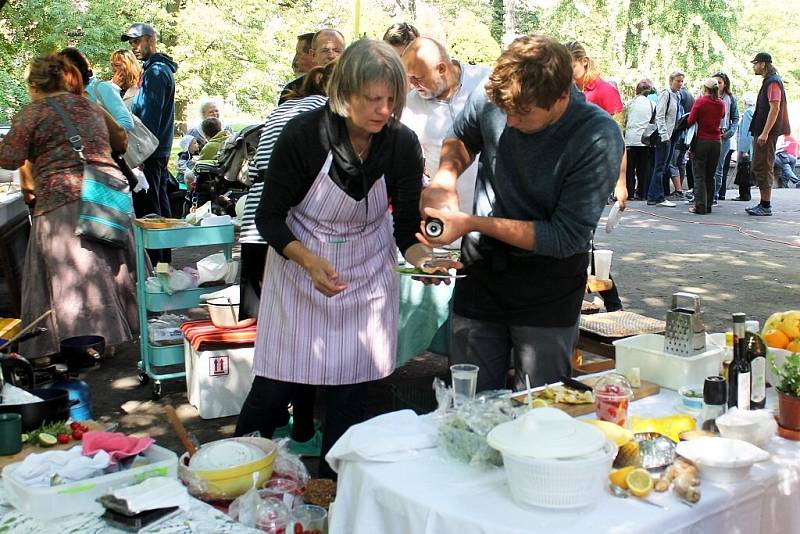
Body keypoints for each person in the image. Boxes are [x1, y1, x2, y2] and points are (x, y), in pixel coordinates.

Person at [235, 40, 455, 478]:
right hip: (301, 269)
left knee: (350, 400)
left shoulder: (400, 144)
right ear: (344, 93)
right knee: (275, 389)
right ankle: (235, 476)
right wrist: (307, 260)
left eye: (391, 99)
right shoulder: (304, 136)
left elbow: (404, 225)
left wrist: (423, 258)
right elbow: (269, 217)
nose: (383, 109)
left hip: (367, 275)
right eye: (372, 99)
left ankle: (334, 492)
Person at [418, 35, 623, 391]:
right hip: (480, 275)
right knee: (472, 402)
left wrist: (470, 223)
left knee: (538, 407)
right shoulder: (496, 94)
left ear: (561, 97)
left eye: (523, 113)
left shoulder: (597, 136)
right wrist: (445, 178)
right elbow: (463, 138)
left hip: (548, 287)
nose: (510, 123)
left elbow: (564, 237)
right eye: (505, 111)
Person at [0, 55, 138, 358]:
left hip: (62, 199)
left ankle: (81, 346)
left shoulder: (32, 112)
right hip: (104, 194)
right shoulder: (89, 104)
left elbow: (8, 158)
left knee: (74, 275)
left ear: (34, 85)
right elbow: (121, 141)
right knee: (105, 266)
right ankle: (110, 339)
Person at [237, 62, 336, 457]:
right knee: (296, 346)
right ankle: (291, 432)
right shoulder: (316, 120)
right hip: (287, 235)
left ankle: (277, 432)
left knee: (282, 342)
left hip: (258, 231)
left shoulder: (283, 108)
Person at [564, 40, 625, 312]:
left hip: (595, 175)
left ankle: (611, 304)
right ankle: (610, 304)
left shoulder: (604, 91)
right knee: (580, 239)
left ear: (584, 62)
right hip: (567, 175)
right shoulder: (562, 90)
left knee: (580, 237)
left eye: (570, 66)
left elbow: (619, 142)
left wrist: (621, 182)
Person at [401, 37, 489, 215]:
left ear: (442, 69)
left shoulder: (485, 82)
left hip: (492, 215)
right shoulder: (409, 105)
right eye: (408, 78)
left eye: (417, 78)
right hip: (445, 217)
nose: (412, 85)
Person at [122, 22, 178, 234]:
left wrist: (140, 157)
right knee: (160, 209)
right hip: (156, 151)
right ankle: (163, 263)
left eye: (137, 41)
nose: (133, 47)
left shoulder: (155, 72)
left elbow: (149, 121)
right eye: (131, 43)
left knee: (151, 214)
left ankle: (156, 263)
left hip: (150, 152)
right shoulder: (156, 69)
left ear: (151, 40)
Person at [746, 52, 791, 216]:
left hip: (767, 133)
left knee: (764, 166)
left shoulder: (773, 82)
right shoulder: (770, 81)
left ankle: (765, 205)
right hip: (763, 131)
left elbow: (775, 108)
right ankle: (763, 203)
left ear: (763, 64)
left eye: (756, 63)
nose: (754, 66)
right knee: (760, 165)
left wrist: (765, 133)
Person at [59, 47, 134, 132]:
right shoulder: (68, 95)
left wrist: (97, 135)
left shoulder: (101, 88)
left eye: (64, 71)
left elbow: (127, 123)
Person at [686, 78, 725, 214]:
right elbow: (723, 115)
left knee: (699, 175)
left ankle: (700, 206)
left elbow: (691, 120)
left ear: (705, 88)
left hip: (702, 141)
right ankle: (708, 205)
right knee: (710, 175)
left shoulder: (700, 101)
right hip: (716, 142)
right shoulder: (721, 103)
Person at [646, 71, 684, 207]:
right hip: (665, 136)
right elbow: (660, 116)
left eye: (681, 81)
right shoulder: (666, 94)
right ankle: (658, 197)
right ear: (671, 81)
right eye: (678, 81)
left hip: (673, 134)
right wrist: (664, 135)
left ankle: (653, 195)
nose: (680, 84)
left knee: (665, 166)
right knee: (660, 166)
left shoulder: (678, 96)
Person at [278, 29, 345, 105]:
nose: (331, 56)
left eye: (337, 51)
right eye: (325, 50)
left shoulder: (355, 85)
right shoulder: (294, 88)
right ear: (313, 54)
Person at [624, 80, 656, 200]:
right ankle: (642, 193)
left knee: (630, 169)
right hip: (645, 140)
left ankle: (630, 193)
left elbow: (624, 120)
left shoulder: (629, 103)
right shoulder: (652, 104)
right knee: (643, 169)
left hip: (630, 139)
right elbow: (653, 122)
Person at [710, 72, 739, 202]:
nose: (717, 85)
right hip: (708, 134)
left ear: (725, 84)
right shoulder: (707, 96)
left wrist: (730, 132)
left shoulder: (730, 98)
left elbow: (735, 118)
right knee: (707, 165)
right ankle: (705, 192)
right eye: (715, 82)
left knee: (718, 166)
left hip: (723, 135)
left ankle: (715, 194)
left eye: (720, 83)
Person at [733, 93, 756, 201]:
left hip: (746, 147)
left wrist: (744, 149)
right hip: (751, 146)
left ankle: (744, 194)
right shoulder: (754, 111)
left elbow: (746, 132)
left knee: (743, 170)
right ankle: (745, 194)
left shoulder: (747, 113)